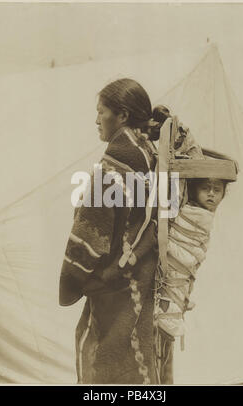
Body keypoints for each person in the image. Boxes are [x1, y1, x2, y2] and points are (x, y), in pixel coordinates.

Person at [59, 78, 172, 384]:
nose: (97, 119)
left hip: (114, 282)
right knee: (137, 360)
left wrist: (76, 276)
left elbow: (91, 230)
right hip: (140, 276)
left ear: (121, 116)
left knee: (103, 362)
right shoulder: (148, 152)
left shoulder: (117, 162)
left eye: (101, 111)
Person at [156, 177, 228, 341]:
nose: (211, 194)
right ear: (194, 190)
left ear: (223, 194)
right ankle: (168, 311)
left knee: (182, 271)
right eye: (205, 188)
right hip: (175, 263)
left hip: (181, 267)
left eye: (217, 190)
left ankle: (171, 308)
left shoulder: (205, 218)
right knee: (179, 269)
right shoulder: (188, 210)